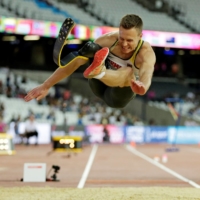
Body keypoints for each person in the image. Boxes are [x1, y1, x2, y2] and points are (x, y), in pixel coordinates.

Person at [24, 14, 156, 108]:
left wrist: (143, 85)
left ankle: (99, 71)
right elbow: (75, 63)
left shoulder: (145, 53)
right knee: (91, 49)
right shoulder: (108, 40)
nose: (124, 44)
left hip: (117, 97)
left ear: (140, 36)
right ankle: (98, 71)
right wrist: (46, 85)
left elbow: (147, 71)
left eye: (130, 40)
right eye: (122, 38)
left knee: (129, 73)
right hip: (98, 85)